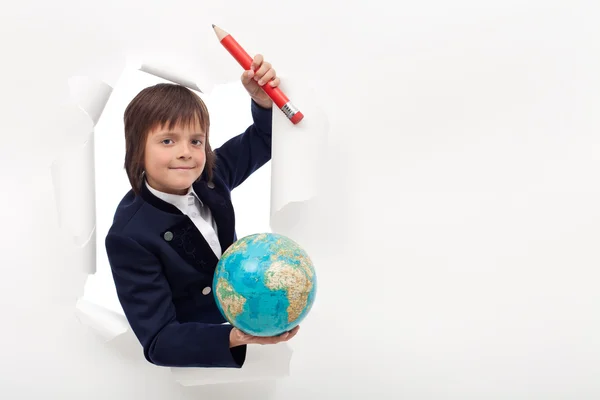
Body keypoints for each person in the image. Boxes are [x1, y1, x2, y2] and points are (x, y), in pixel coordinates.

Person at [104, 54, 299, 368]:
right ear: (137, 149)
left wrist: (263, 102)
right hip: (199, 351)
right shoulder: (128, 236)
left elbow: (264, 138)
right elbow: (159, 341)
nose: (185, 153)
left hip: (245, 318)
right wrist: (236, 337)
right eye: (167, 140)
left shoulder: (212, 173)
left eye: (196, 141)